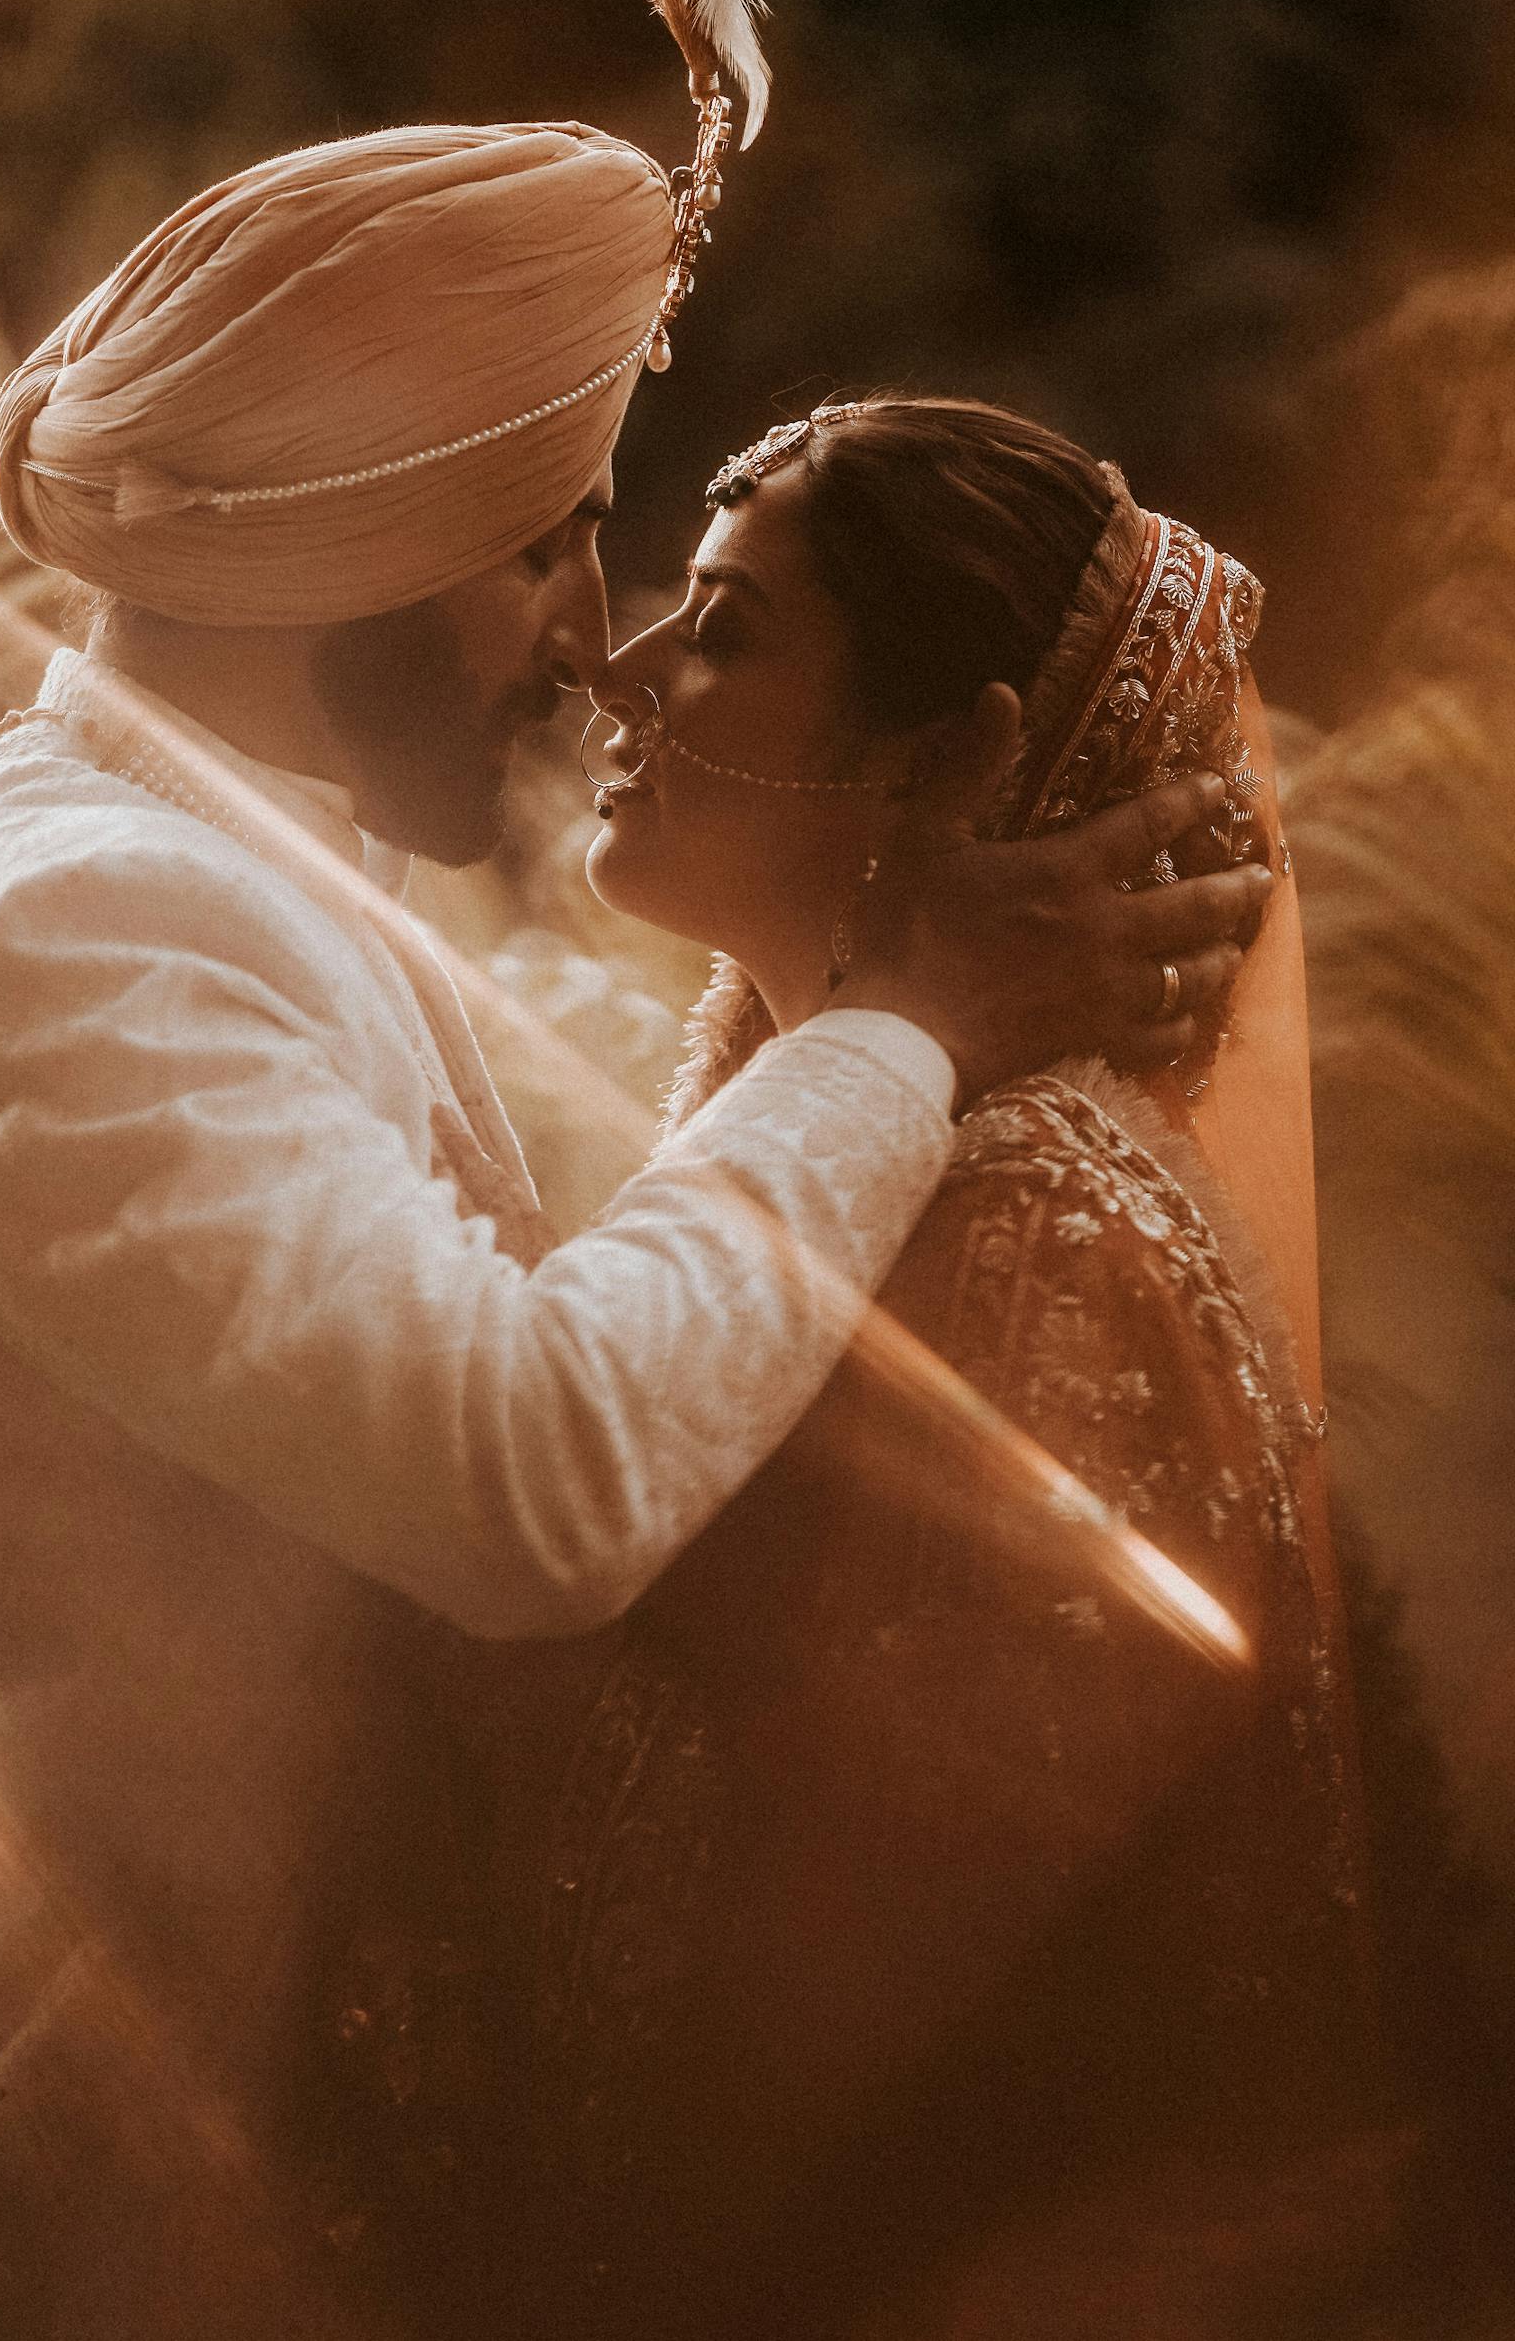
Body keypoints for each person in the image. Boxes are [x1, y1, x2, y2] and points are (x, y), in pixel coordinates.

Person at [0, 0, 1269, 2338]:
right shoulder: (80, 932)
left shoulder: (202, 860)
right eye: (549, 543)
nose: (593, 639)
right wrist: (913, 1017)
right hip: (61, 2256)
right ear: (342, 556)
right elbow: (535, 1478)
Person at [429, 396, 1388, 2341]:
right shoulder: (856, 1158)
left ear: (955, 763)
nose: (617, 670)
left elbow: (941, 2021)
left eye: (722, 628)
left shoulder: (1044, 1234)